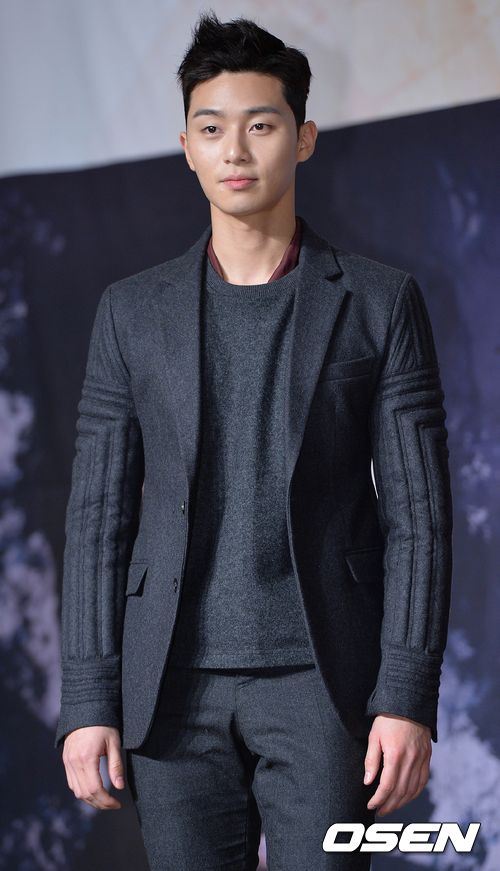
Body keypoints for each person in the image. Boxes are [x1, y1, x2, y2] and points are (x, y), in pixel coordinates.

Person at [55, 11, 453, 870]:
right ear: (186, 147)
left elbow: (419, 518)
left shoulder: (379, 302)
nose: (235, 150)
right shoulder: (132, 312)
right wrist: (87, 697)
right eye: (211, 129)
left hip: (326, 684)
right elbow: (96, 519)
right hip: (170, 689)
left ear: (303, 139)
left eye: (261, 126)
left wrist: (407, 693)